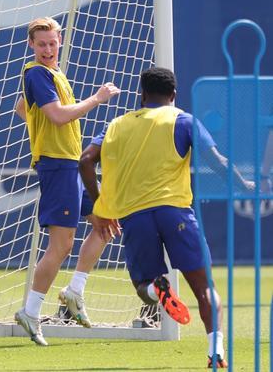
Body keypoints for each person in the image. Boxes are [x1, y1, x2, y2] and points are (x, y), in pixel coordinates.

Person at [86, 67, 254, 368]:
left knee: (143, 288)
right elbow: (218, 162)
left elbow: (85, 161)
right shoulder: (183, 119)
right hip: (175, 213)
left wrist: (99, 206)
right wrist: (246, 185)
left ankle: (157, 290)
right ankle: (216, 350)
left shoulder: (115, 125)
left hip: (134, 216)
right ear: (173, 96)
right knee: (205, 288)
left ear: (142, 94)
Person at [12, 16, 120, 346]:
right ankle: (30, 312)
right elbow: (58, 115)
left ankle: (74, 292)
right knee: (61, 246)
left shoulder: (54, 74)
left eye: (52, 43)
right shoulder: (36, 72)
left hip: (72, 165)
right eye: (41, 43)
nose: (47, 48)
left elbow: (22, 107)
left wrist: (36, 123)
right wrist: (97, 99)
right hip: (58, 167)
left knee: (107, 224)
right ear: (32, 45)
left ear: (60, 41)